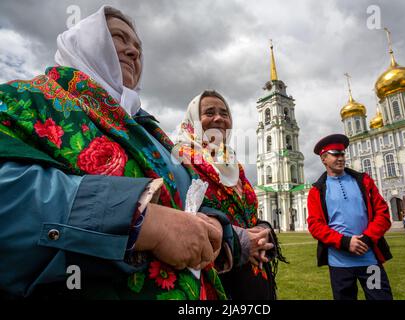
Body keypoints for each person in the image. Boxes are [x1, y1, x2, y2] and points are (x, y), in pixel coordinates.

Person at [0, 6, 235, 299]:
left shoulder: (149, 129)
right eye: (117, 38)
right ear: (83, 40)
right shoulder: (23, 100)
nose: (133, 52)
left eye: (138, 47)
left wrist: (214, 222)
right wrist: (142, 222)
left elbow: (184, 199)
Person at [173, 90, 287, 299]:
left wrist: (262, 230)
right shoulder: (181, 159)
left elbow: (246, 214)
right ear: (193, 120)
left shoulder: (233, 163)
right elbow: (180, 218)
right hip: (215, 279)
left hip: (254, 279)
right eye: (209, 112)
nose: (219, 118)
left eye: (224, 113)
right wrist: (239, 240)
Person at [307, 134, 393, 300]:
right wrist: (345, 242)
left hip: (369, 262)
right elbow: (315, 226)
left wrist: (367, 239)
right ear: (324, 158)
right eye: (335, 154)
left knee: (380, 298)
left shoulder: (364, 181)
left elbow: (382, 213)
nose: (341, 158)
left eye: (342, 154)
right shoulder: (316, 191)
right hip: (340, 265)